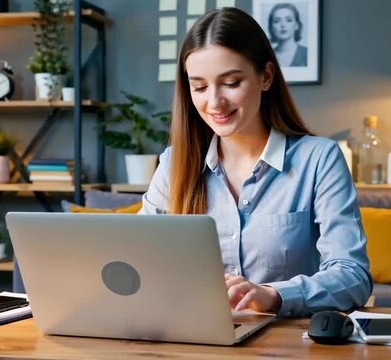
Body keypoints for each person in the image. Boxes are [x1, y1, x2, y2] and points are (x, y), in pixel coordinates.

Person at [140, 7, 372, 318]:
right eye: (199, 87)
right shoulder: (174, 164)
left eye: (231, 83)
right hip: (193, 336)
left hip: (287, 343)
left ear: (265, 76)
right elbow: (137, 257)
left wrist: (273, 295)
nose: (214, 102)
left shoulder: (318, 159)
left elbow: (352, 275)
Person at [268, 3, 307, 67]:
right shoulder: (267, 56)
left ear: (296, 25)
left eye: (289, 20)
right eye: (277, 21)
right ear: (271, 27)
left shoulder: (307, 54)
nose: (283, 25)